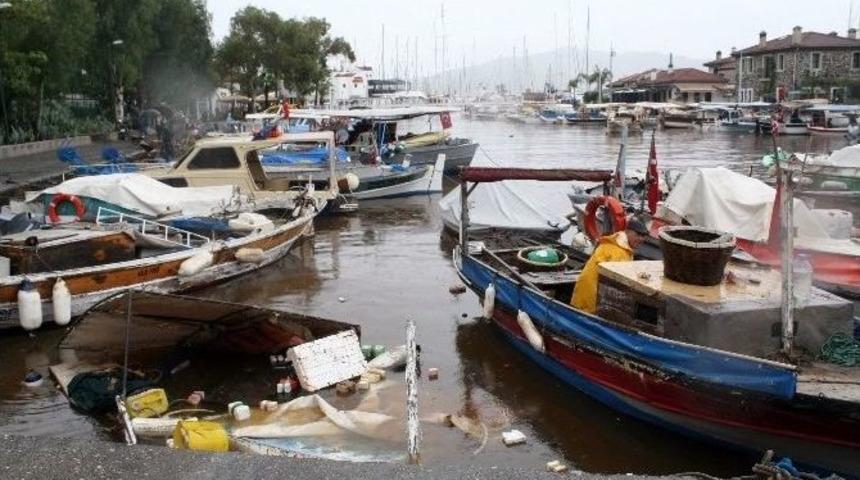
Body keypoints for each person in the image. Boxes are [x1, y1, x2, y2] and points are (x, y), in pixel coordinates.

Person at [570, 217, 649, 314]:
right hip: (592, 295)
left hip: (583, 290)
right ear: (627, 231)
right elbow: (618, 281)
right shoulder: (619, 252)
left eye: (643, 236)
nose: (641, 239)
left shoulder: (614, 243)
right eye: (638, 235)